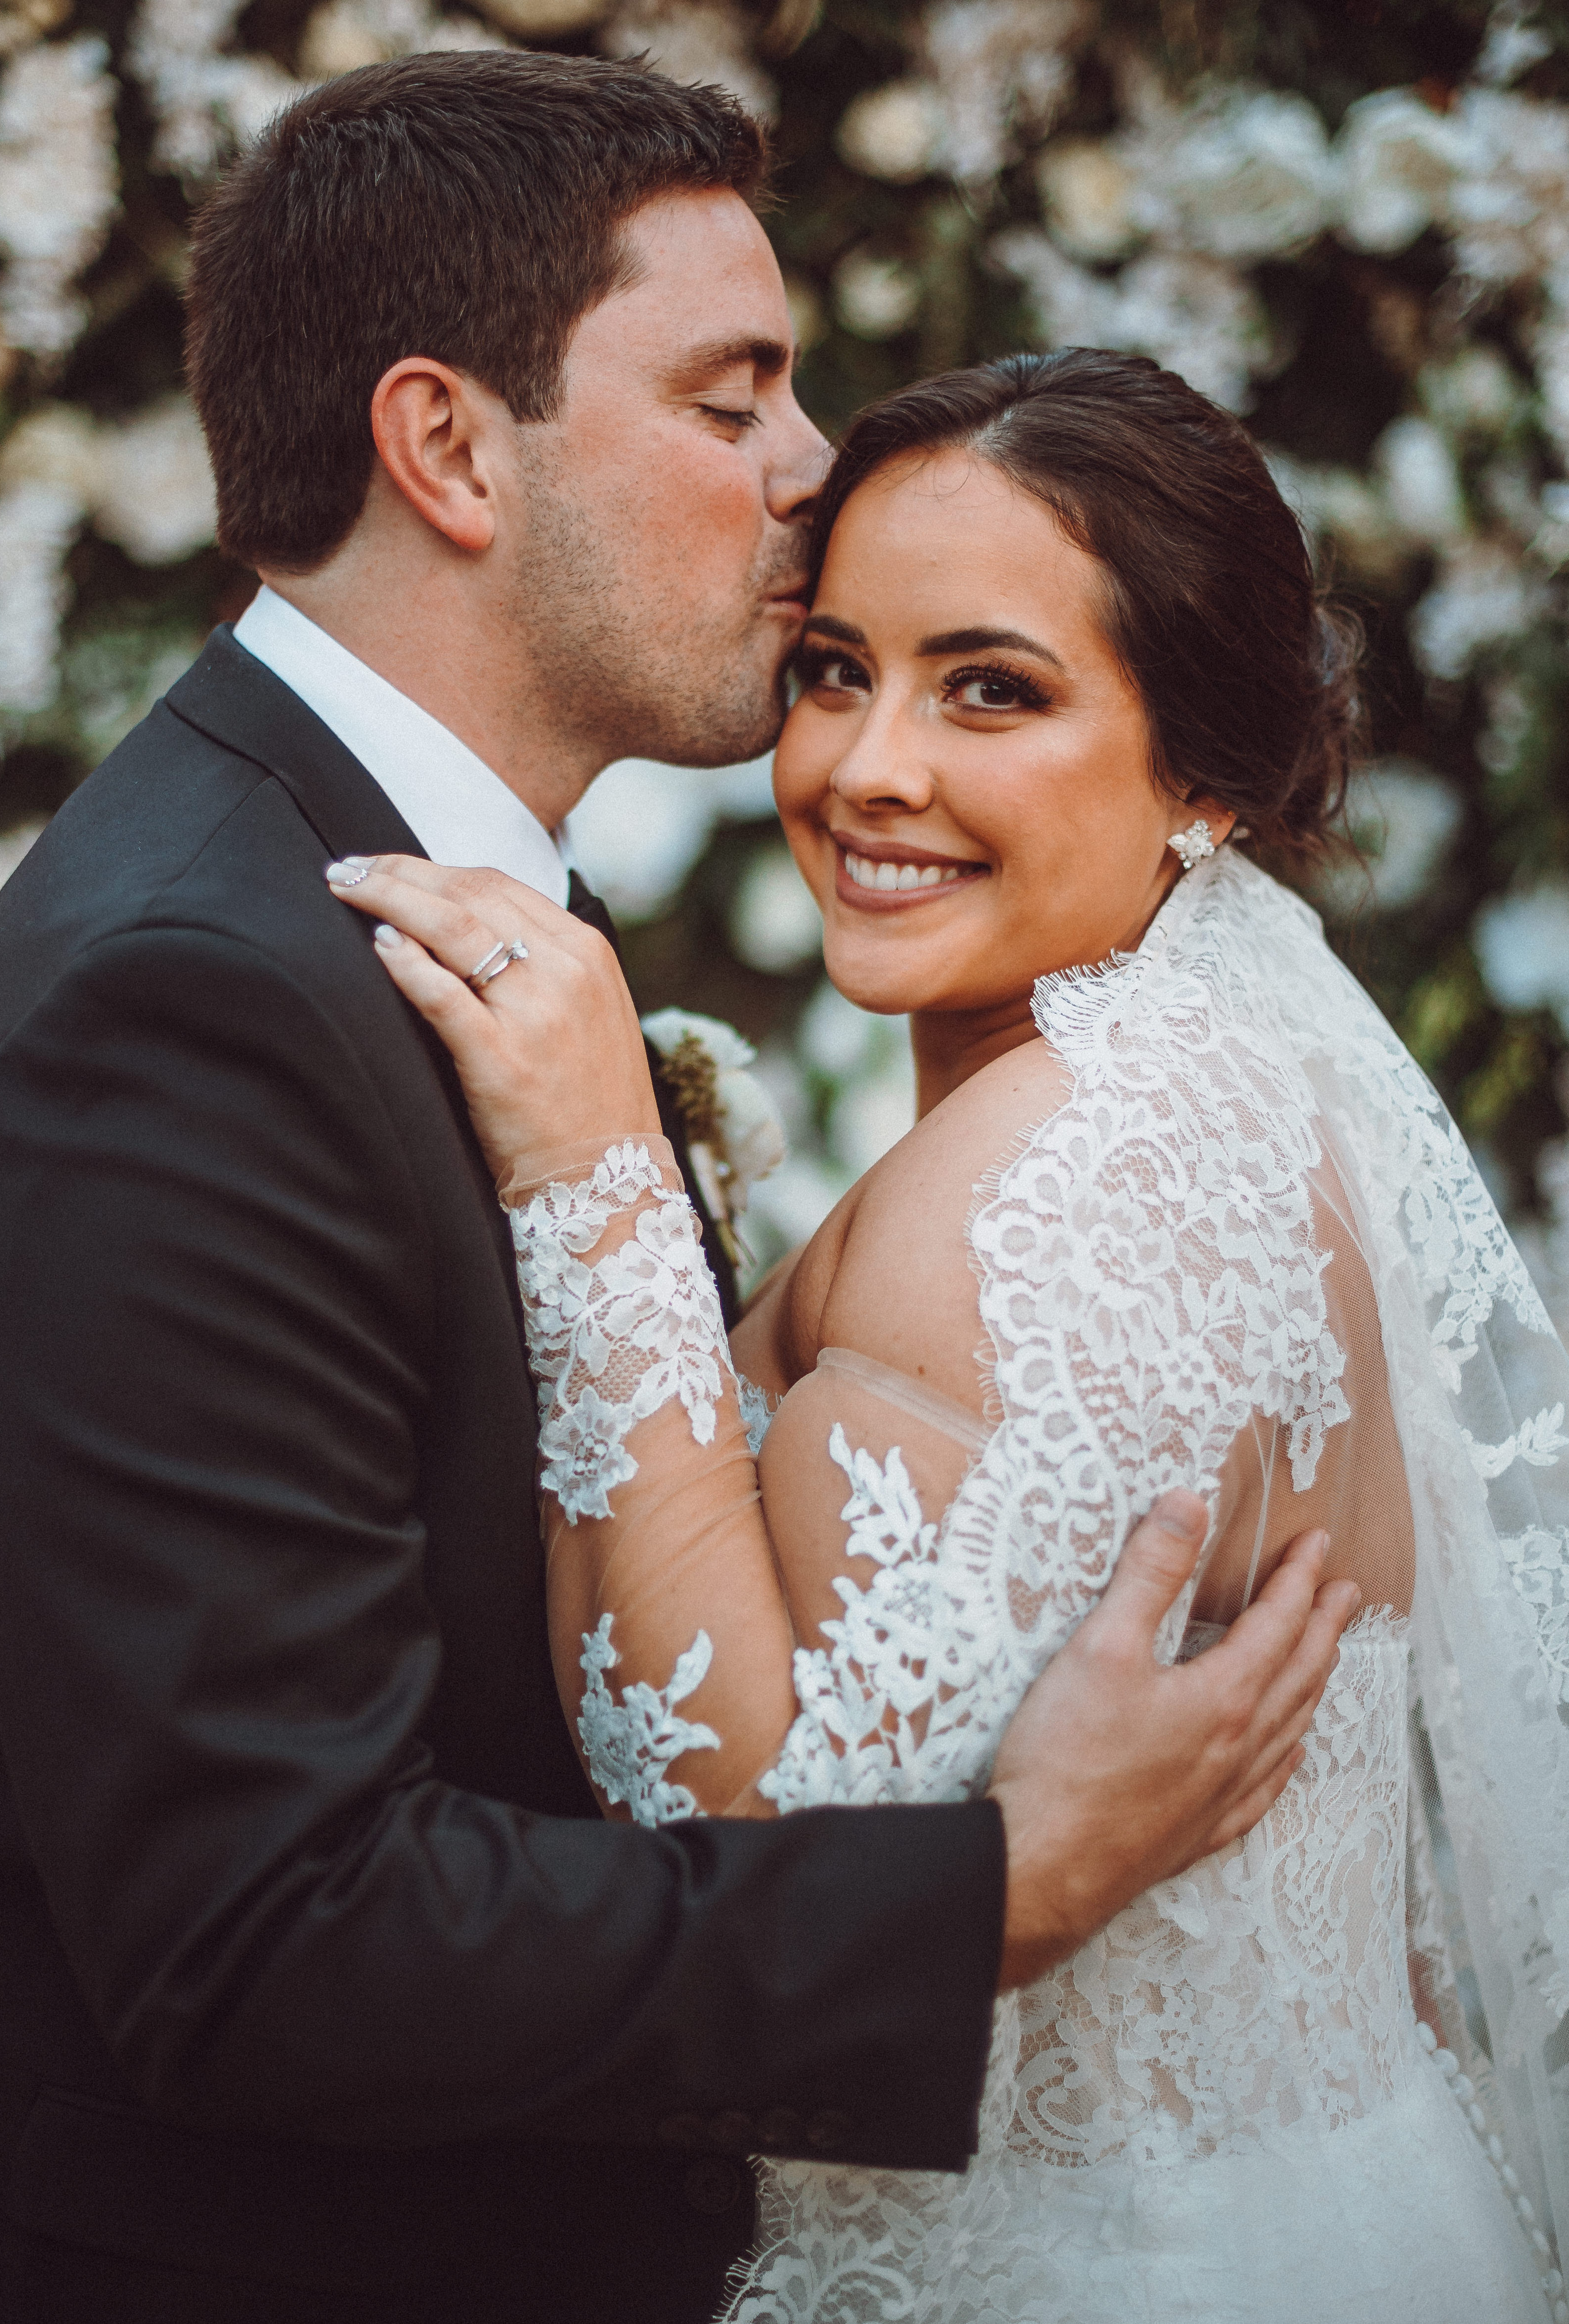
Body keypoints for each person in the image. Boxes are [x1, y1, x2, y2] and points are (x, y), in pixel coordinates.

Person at [0, 60, 1353, 2324]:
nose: (811, 473)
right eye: (734, 395)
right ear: (452, 448)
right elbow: (267, 1932)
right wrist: (994, 1890)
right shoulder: (187, 997)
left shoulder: (425, 923)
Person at [341, 349, 1569, 2323]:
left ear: (1205, 776)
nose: (865, 768)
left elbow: (742, 1839)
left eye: (989, 687)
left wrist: (596, 1194)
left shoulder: (1041, 1189)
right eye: (835, 668)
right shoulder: (1236, 1098)